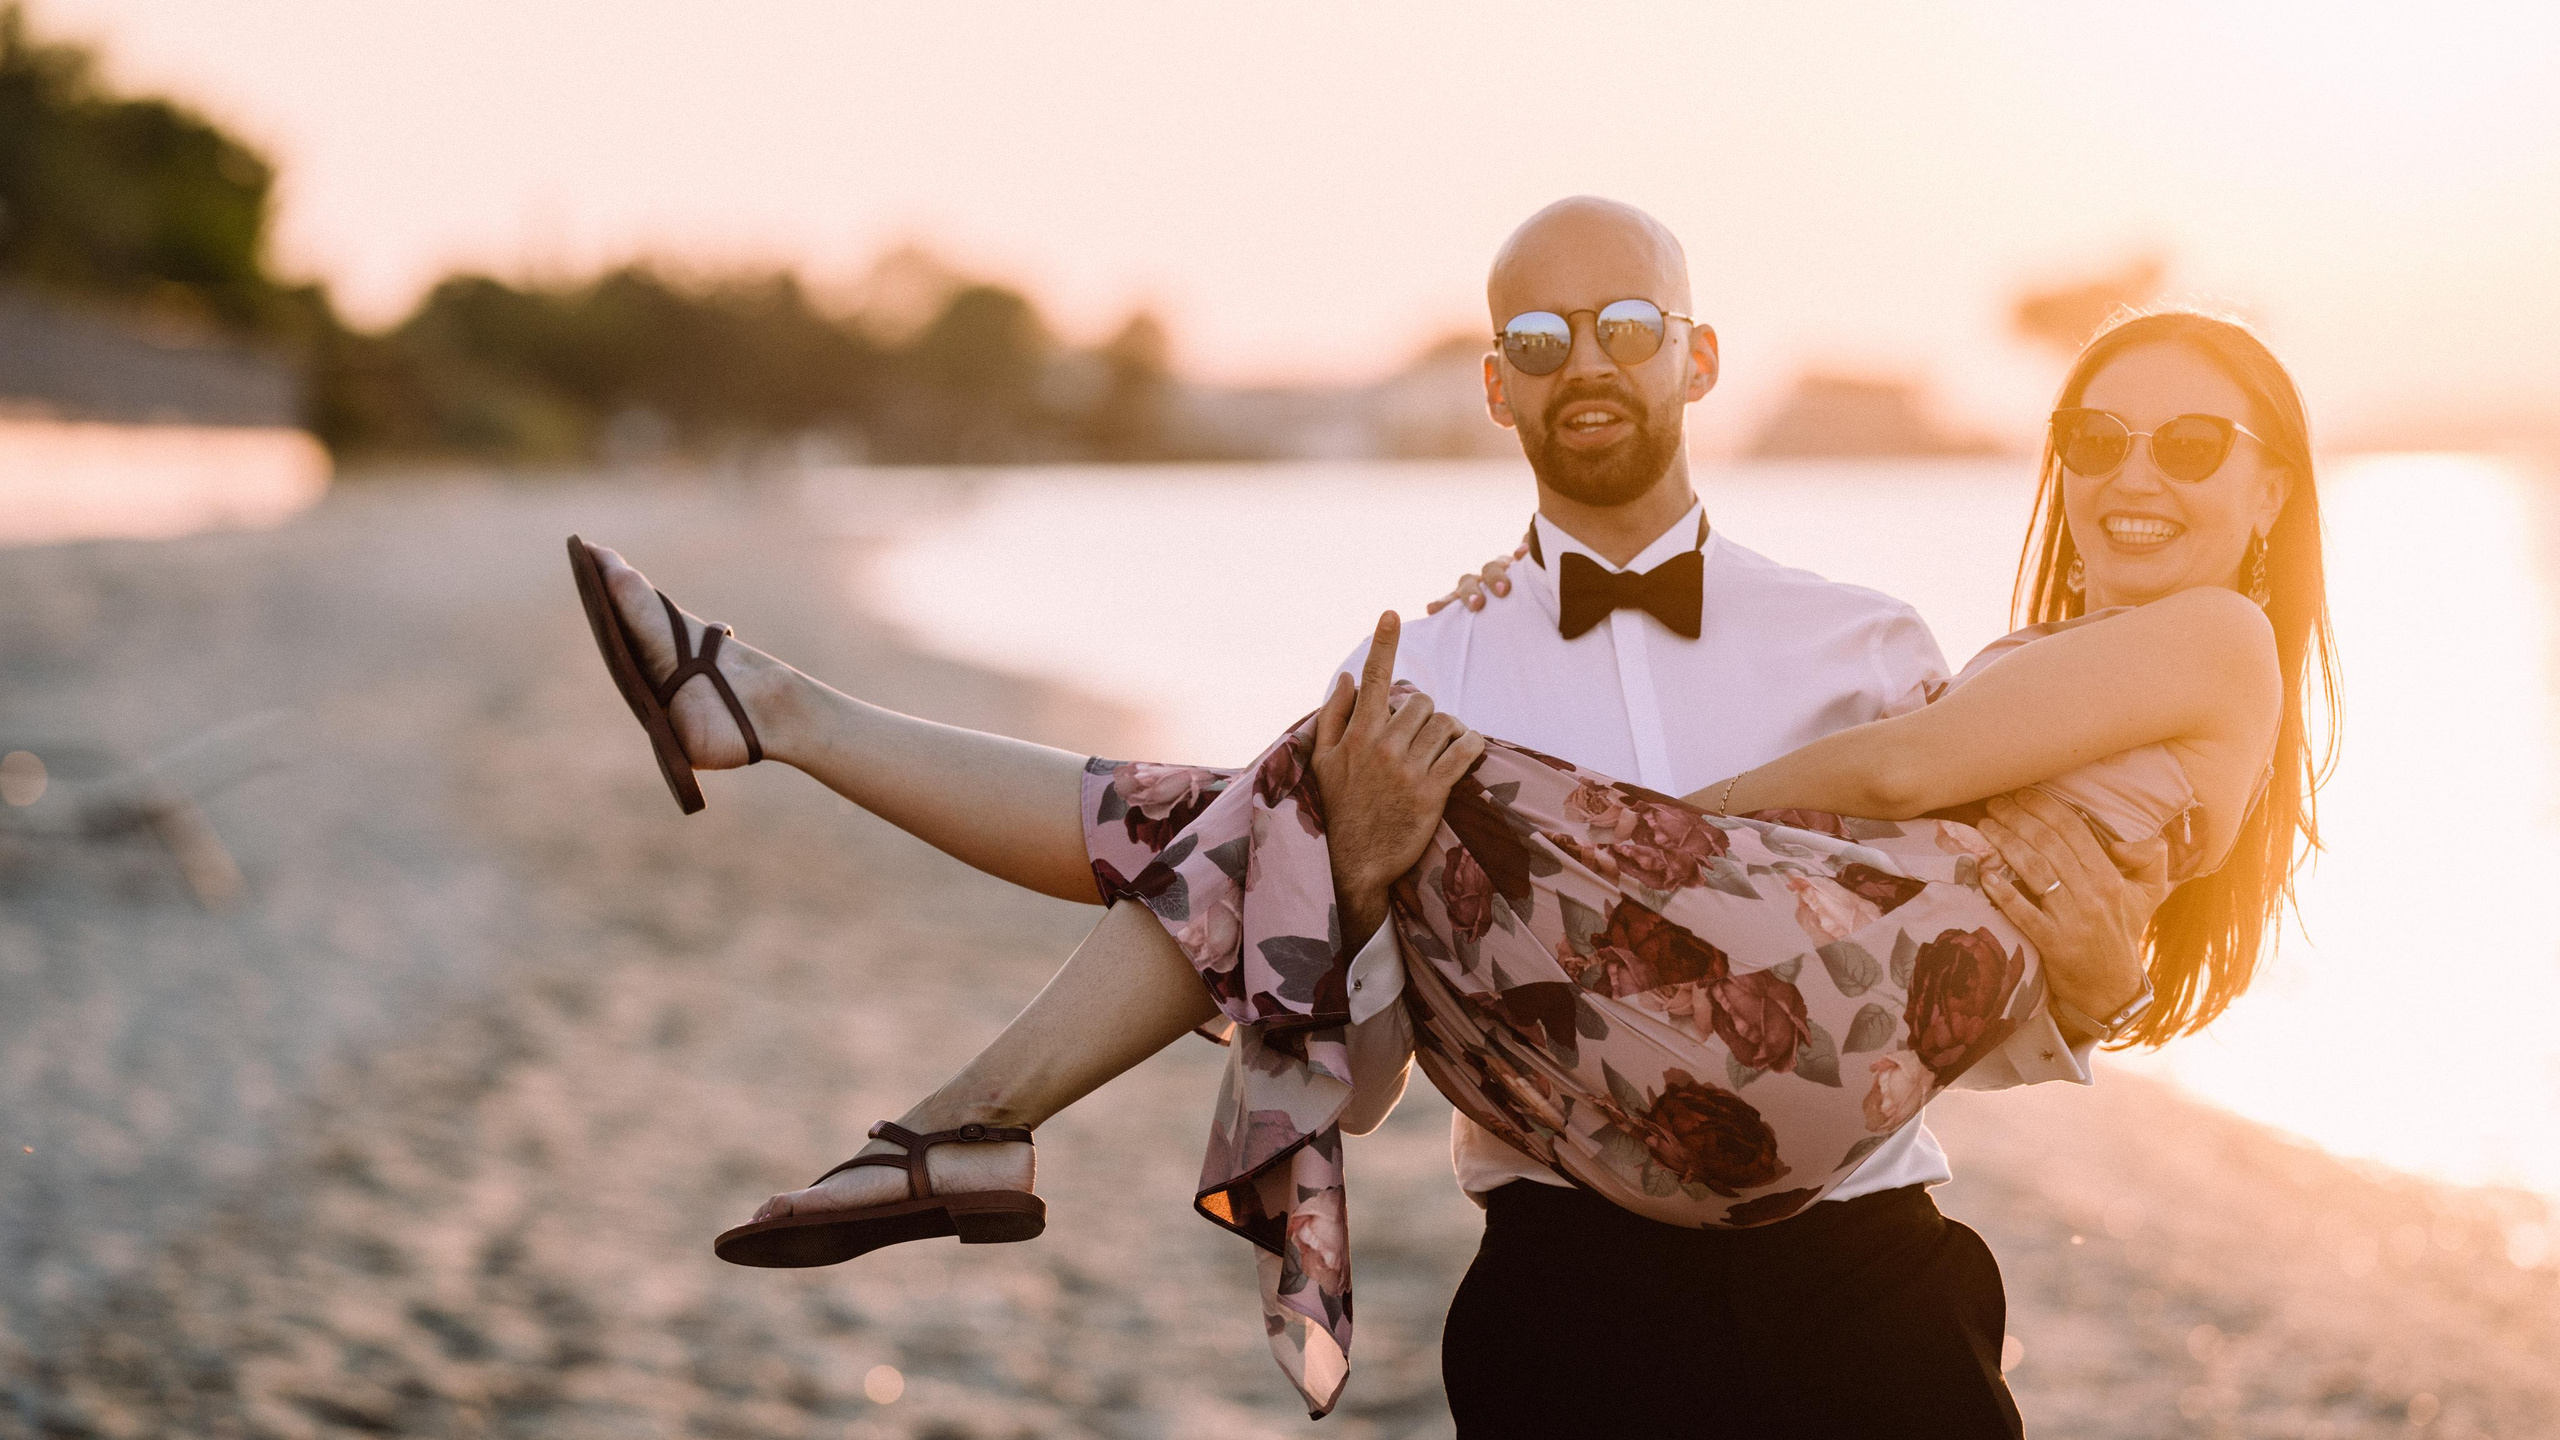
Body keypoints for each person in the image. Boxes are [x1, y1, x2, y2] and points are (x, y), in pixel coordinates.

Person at [566, 198, 2335, 1437]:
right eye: (1541, 337)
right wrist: (1394, 866)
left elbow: (1959, 939)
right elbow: (1378, 1069)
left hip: (1865, 1276)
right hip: (1574, 1296)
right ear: (1494, 382)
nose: (1590, 364)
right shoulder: (1431, 661)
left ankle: (870, 918)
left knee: (1270, 805)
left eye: (1630, 327)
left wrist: (1621, 848)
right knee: (1287, 820)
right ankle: (787, 739)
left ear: (1700, 358)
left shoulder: (1875, 645)